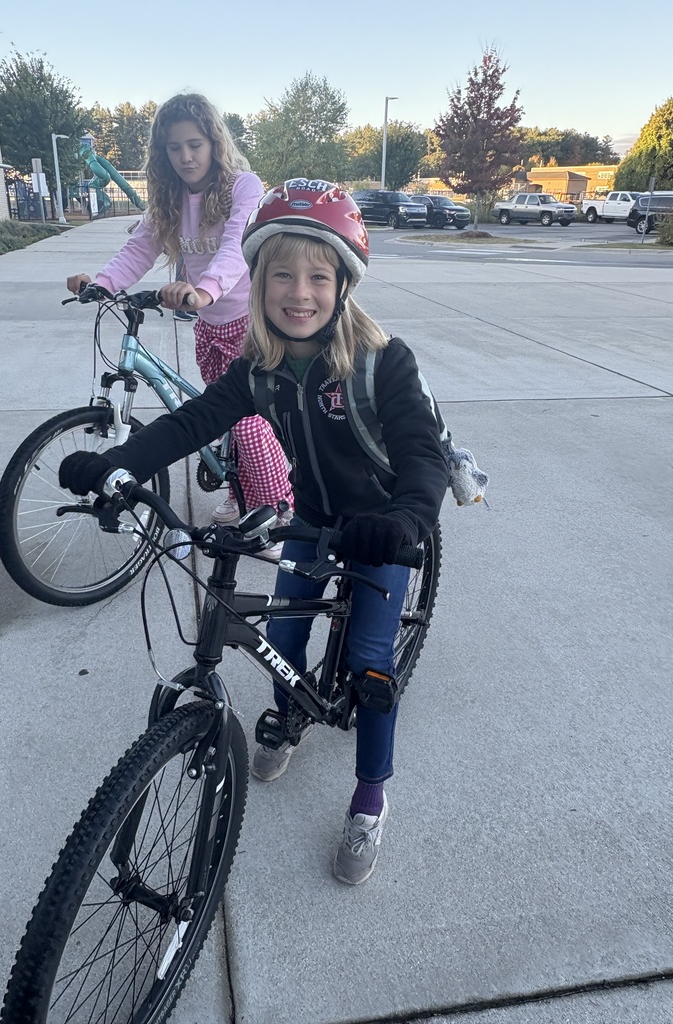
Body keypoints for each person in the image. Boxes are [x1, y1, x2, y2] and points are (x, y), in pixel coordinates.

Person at [58, 179, 450, 884]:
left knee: (370, 662)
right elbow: (191, 422)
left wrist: (406, 521)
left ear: (343, 285)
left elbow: (421, 456)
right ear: (259, 282)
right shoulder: (259, 368)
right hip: (312, 520)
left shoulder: (382, 362)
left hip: (379, 525)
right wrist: (119, 464)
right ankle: (288, 718)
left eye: (318, 277)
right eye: (281, 276)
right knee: (284, 637)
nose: (299, 293)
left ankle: (369, 799)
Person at [65, 93, 291, 540]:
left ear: (215, 143)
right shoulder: (168, 197)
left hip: (251, 322)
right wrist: (103, 283)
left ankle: (277, 512)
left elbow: (237, 246)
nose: (186, 157)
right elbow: (140, 247)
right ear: (163, 152)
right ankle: (240, 489)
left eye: (195, 144)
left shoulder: (241, 186)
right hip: (209, 323)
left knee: (246, 421)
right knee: (221, 418)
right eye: (174, 147)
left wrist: (204, 289)